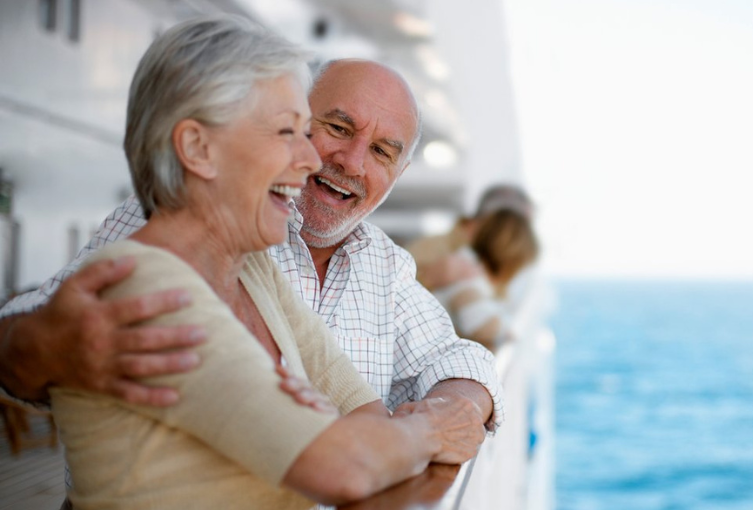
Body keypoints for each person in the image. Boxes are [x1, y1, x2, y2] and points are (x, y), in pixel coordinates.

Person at [44, 16, 481, 508]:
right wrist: (430, 428)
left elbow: (364, 417)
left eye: (380, 151)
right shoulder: (152, 285)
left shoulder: (251, 270)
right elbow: (342, 465)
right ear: (198, 149)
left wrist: (382, 436)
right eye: (288, 131)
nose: (309, 158)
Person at [0, 58, 501, 436]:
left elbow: (451, 357)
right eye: (338, 128)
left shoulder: (384, 265)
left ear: (398, 175)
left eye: (380, 151)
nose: (350, 161)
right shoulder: (184, 211)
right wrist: (57, 344)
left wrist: (452, 412)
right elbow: (23, 340)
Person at [423, 209, 539, 350]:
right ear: (512, 262)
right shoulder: (467, 271)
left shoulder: (469, 264)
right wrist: (510, 332)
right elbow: (479, 324)